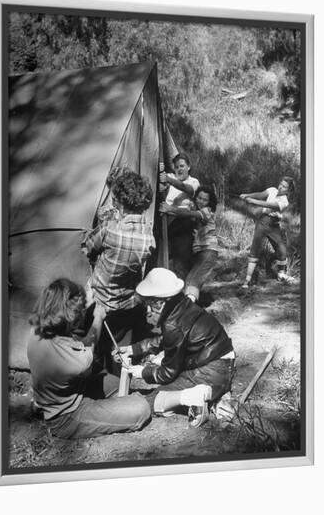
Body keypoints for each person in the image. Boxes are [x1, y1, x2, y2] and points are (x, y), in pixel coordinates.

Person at [27, 278, 151, 439]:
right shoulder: (72, 362)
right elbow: (88, 346)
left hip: (74, 388)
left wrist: (87, 296)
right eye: (78, 315)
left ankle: (41, 405)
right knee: (140, 408)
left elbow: (69, 308)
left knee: (115, 384)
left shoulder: (39, 326)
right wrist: (97, 317)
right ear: (69, 318)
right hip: (68, 415)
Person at [114, 268, 235, 427]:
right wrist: (134, 349)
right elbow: (168, 340)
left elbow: (167, 374)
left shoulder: (173, 324)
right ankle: (214, 394)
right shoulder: (182, 305)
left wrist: (142, 372)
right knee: (170, 386)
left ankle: (195, 396)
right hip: (222, 362)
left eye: (149, 304)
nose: (149, 311)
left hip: (211, 369)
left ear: (160, 301)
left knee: (148, 402)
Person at [83, 170, 156, 372]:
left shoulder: (109, 230)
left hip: (100, 303)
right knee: (118, 355)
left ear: (120, 204)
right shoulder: (149, 236)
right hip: (127, 304)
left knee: (95, 354)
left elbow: (87, 246)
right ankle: (121, 389)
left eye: (115, 200)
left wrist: (103, 224)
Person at [160, 185, 219, 303]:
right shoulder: (197, 212)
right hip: (200, 253)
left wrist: (170, 209)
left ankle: (187, 311)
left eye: (205, 200)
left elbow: (192, 214)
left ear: (209, 202)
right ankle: (187, 307)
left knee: (193, 282)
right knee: (188, 280)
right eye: (199, 198)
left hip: (207, 252)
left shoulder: (207, 212)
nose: (201, 201)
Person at [240, 176, 295, 289]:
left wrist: (252, 201)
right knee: (255, 250)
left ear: (288, 191)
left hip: (274, 226)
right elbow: (260, 194)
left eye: (284, 187)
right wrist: (247, 195)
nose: (281, 187)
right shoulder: (272, 190)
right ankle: (247, 280)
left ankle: (281, 274)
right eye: (281, 184)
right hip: (263, 222)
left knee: (282, 250)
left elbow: (268, 205)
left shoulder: (285, 202)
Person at [160, 153, 200, 279]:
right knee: (162, 262)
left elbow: (187, 189)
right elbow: (160, 181)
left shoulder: (193, 182)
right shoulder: (171, 177)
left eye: (182, 166)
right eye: (176, 167)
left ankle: (183, 294)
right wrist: (160, 171)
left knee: (181, 264)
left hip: (183, 226)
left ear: (188, 167)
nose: (179, 169)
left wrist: (169, 180)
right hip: (166, 225)